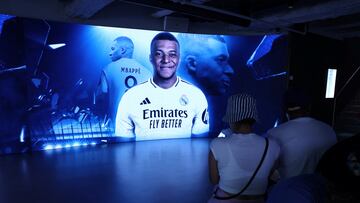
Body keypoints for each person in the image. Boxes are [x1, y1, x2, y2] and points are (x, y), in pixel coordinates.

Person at [115, 32, 209, 140]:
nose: (166, 60)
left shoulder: (196, 95)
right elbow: (123, 148)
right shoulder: (131, 97)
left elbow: (201, 145)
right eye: (159, 54)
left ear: (179, 59)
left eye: (172, 54)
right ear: (151, 58)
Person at [208, 94, 280, 203]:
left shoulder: (217, 144)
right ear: (253, 119)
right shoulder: (273, 145)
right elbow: (270, 175)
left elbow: (214, 180)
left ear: (232, 119)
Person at [267, 88, 337, 179]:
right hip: (321, 189)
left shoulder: (274, 133)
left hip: (289, 189)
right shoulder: (328, 130)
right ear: (309, 107)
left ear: (286, 111)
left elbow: (268, 168)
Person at [96, 36, 152, 129]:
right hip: (141, 128)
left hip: (117, 127)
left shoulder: (108, 68)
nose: (110, 53)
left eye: (113, 49)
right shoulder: (148, 72)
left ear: (122, 50)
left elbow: (101, 93)